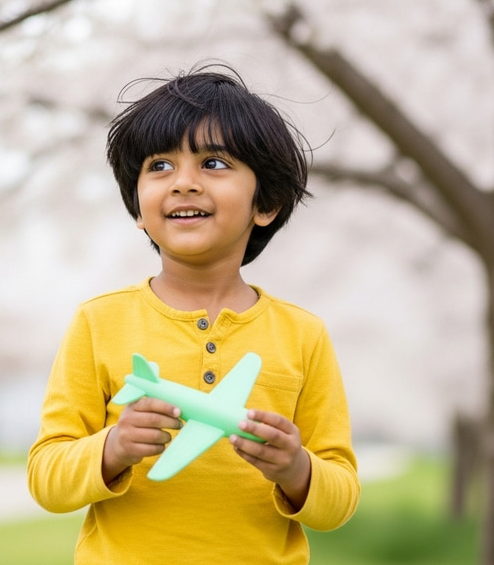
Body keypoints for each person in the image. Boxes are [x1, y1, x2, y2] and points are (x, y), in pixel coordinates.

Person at [27, 66, 360, 564]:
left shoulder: (303, 335)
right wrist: (114, 448)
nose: (183, 183)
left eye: (214, 163)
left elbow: (339, 501)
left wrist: (297, 469)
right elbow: (46, 479)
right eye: (159, 166)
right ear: (138, 208)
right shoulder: (99, 322)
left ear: (265, 202)